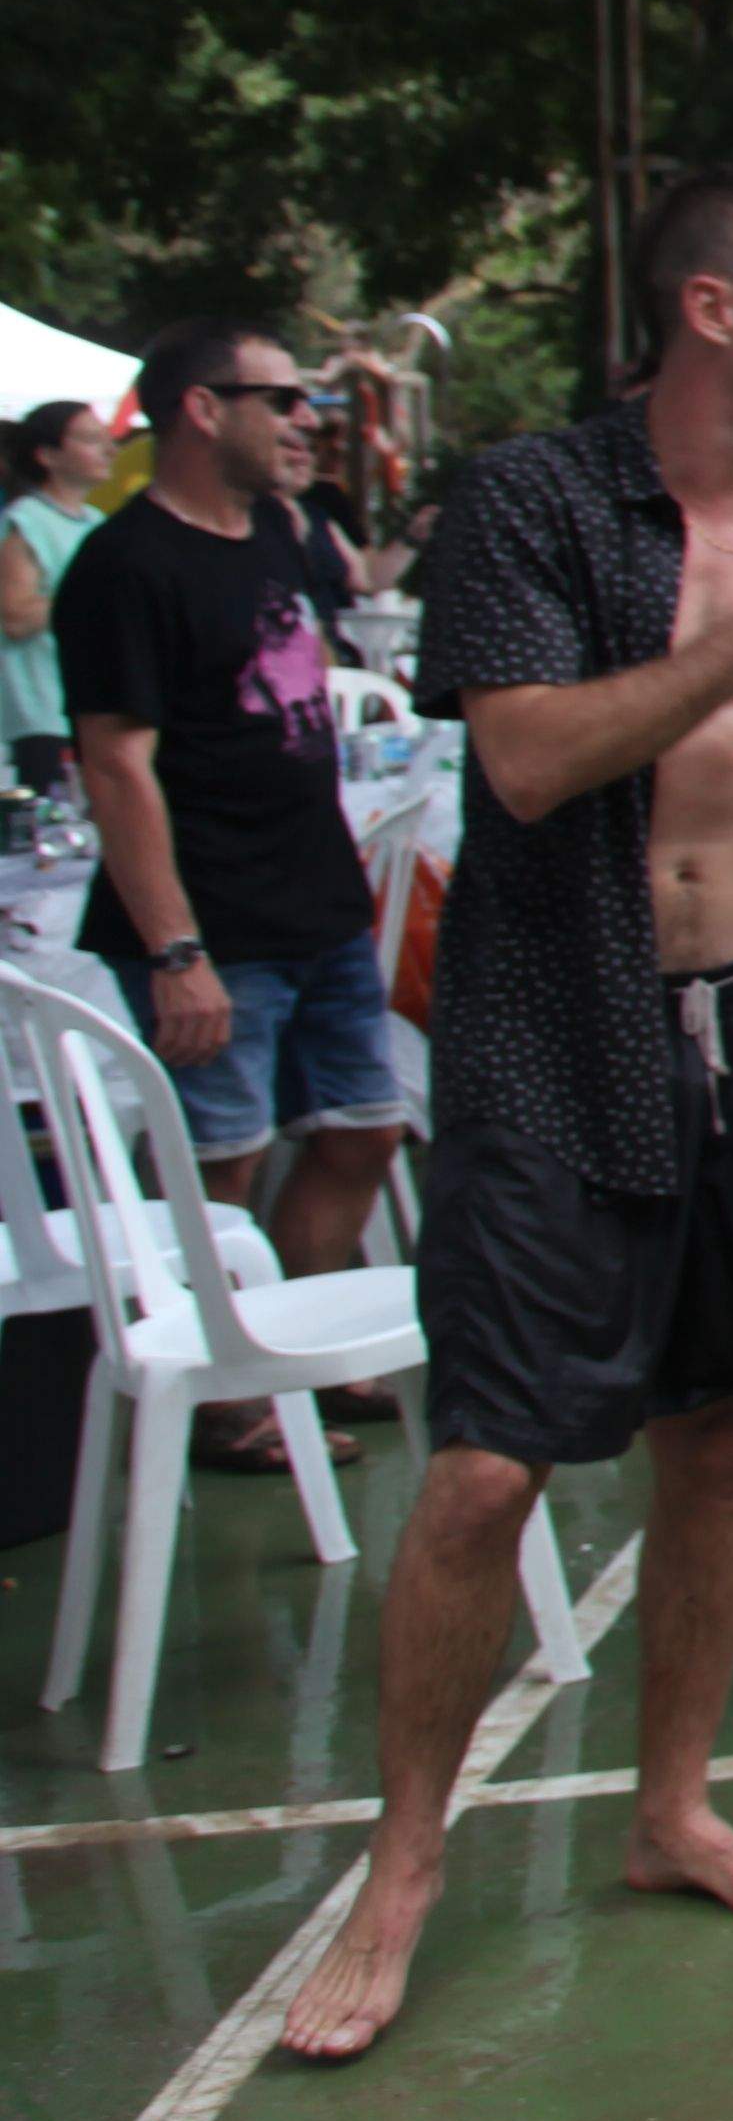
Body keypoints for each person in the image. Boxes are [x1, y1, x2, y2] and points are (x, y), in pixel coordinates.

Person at [279, 168, 733, 2066]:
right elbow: (523, 757)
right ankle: (406, 1861)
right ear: (712, 308)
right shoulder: (533, 499)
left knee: (721, 1440)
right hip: (554, 1029)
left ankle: (671, 1806)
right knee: (493, 1463)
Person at [62, 325, 409, 1401]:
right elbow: (116, 768)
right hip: (211, 924)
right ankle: (232, 1402)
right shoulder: (124, 565)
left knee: (365, 1129)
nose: (307, 417)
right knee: (222, 1171)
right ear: (203, 410)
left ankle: (295, 1354)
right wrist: (175, 952)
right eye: (284, 399)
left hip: (316, 900)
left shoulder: (275, 532)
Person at [1, 395, 113, 798]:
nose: (108, 449)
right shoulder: (26, 520)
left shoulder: (98, 523)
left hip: (94, 706)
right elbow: (14, 618)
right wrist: (84, 592)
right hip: (42, 714)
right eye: (89, 439)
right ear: (47, 454)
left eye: (106, 438)